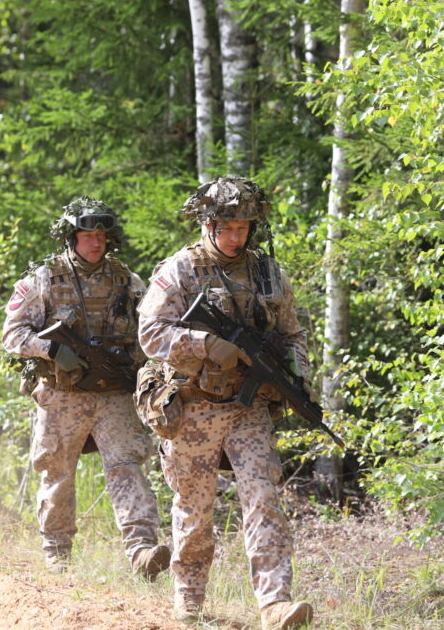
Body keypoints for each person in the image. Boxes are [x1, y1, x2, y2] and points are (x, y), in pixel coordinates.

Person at [137, 177, 314, 629]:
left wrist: (298, 376)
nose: (236, 237)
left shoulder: (268, 274)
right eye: (227, 228)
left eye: (243, 227)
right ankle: (189, 599)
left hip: (246, 409)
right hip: (194, 406)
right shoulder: (180, 269)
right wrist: (204, 344)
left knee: (263, 497)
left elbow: (293, 334)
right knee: (195, 509)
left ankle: (275, 603)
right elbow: (150, 334)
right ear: (208, 225)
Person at [2, 197, 170, 579]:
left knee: (127, 467)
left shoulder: (127, 280)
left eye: (101, 235)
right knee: (58, 474)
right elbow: (12, 335)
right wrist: (52, 350)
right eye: (87, 235)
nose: (96, 242)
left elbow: (150, 331)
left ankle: (142, 551)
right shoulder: (45, 278)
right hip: (63, 395)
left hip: (114, 394)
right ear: (71, 237)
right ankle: (57, 556)